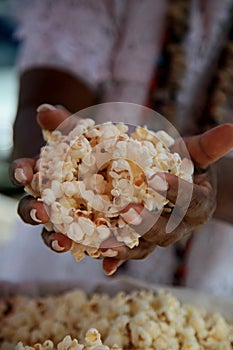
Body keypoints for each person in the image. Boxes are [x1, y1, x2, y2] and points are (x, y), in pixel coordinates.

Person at [1, 0, 233, 294]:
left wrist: (211, 184)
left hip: (216, 283)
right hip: (64, 276)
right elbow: (41, 100)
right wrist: (55, 158)